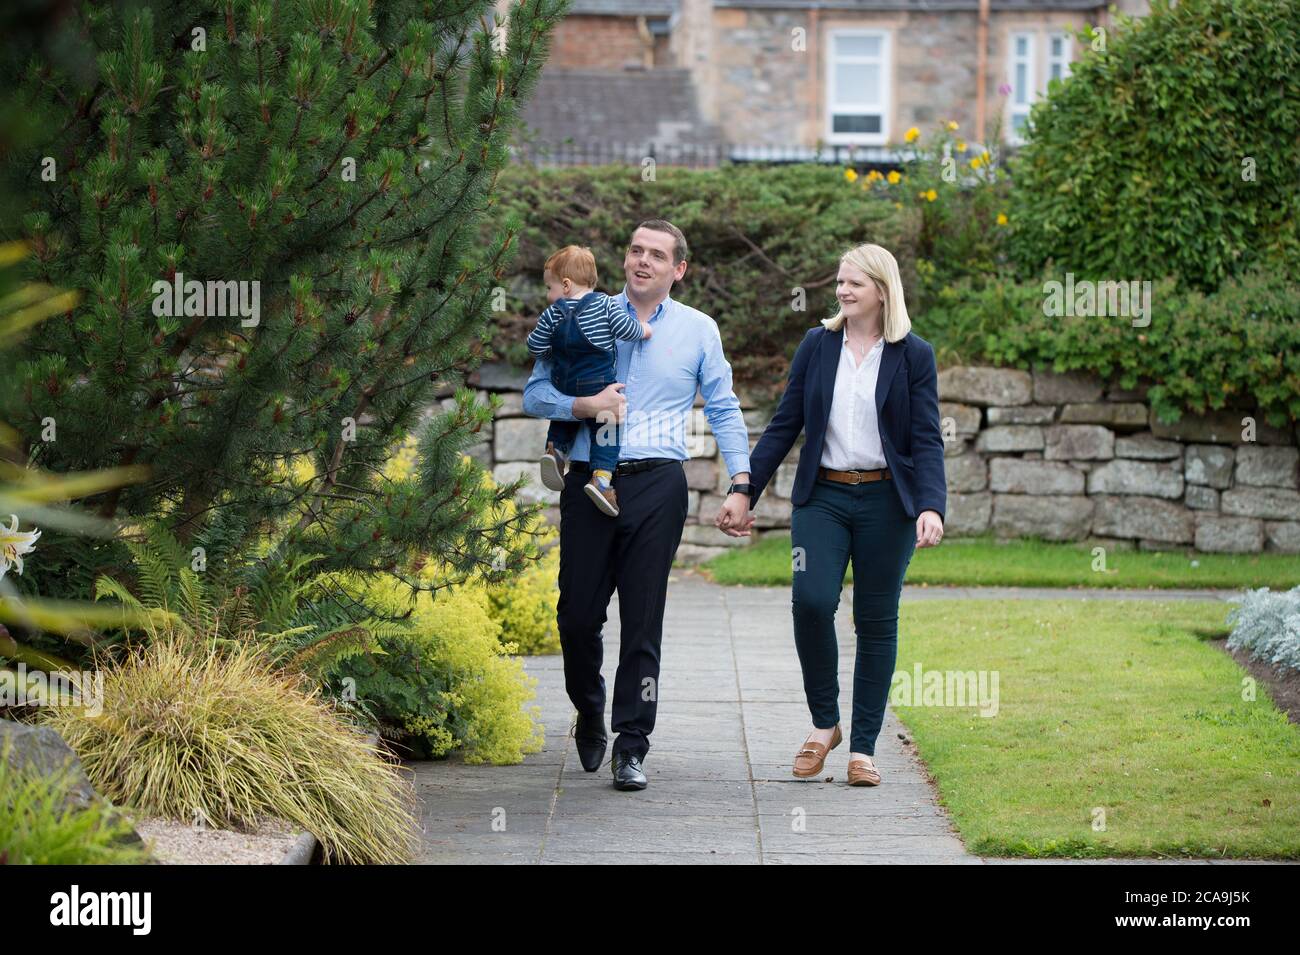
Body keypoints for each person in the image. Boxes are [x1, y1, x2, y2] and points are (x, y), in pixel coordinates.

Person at [522, 219, 754, 791]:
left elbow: (722, 407)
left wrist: (742, 481)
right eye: (634, 250)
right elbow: (534, 392)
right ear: (623, 260)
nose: (641, 261)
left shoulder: (699, 330)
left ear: (678, 270)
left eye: (656, 254)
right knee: (577, 616)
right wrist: (584, 403)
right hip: (588, 481)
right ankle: (589, 710)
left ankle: (631, 744)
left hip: (657, 485)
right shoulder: (580, 311)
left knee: (643, 620)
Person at [715, 242, 947, 787]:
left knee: (876, 619)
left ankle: (863, 748)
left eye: (853, 283)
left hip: (888, 503)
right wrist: (744, 488)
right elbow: (784, 423)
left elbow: (925, 438)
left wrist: (931, 505)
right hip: (822, 496)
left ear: (882, 291)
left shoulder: (914, 355)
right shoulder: (818, 345)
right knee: (812, 601)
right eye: (839, 282)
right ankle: (825, 725)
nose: (842, 291)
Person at [527, 244, 652, 517]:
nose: (549, 296)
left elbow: (534, 346)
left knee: (565, 414)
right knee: (608, 426)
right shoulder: (606, 305)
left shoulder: (552, 314)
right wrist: (643, 329)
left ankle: (555, 451)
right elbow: (626, 330)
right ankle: (602, 479)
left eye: (550, 288)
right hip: (599, 385)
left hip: (565, 383)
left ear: (567, 285)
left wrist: (552, 352)